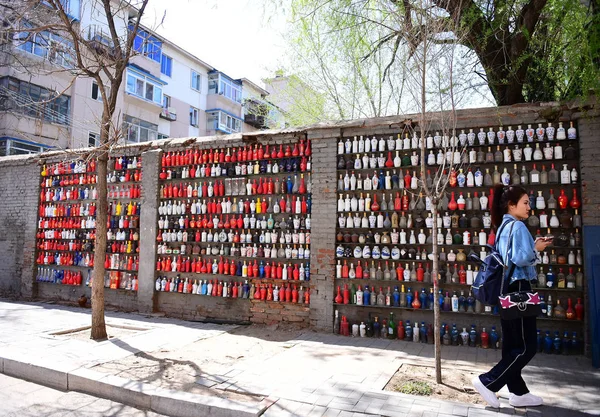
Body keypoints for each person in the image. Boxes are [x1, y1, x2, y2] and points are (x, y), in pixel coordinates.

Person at [471, 184, 553, 408]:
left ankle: (518, 392)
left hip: (506, 291)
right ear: (511, 205)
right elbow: (522, 258)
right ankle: (488, 382)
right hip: (519, 289)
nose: (529, 207)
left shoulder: (502, 227)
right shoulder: (517, 226)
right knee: (527, 346)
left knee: (513, 344)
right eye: (526, 202)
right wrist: (537, 249)